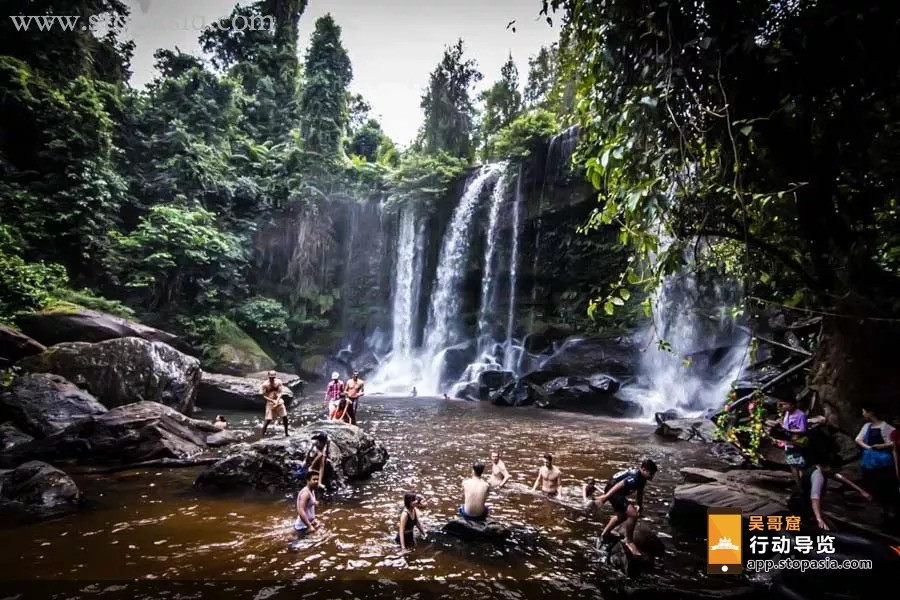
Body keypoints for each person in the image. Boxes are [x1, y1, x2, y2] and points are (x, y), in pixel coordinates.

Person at [789, 446, 872, 530]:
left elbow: (840, 477)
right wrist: (819, 518)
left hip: (806, 502)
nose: (836, 472)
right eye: (836, 469)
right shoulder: (818, 477)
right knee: (815, 527)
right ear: (829, 467)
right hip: (802, 504)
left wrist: (861, 491)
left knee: (830, 526)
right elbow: (815, 498)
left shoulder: (821, 468)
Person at [596, 459, 658, 556]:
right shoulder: (635, 477)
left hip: (617, 492)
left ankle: (605, 533)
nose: (652, 477)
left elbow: (640, 492)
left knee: (621, 516)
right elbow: (619, 485)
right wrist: (605, 497)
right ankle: (629, 541)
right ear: (643, 470)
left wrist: (640, 505)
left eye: (653, 474)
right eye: (651, 474)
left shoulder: (642, 478)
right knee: (633, 514)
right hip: (613, 490)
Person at [855, 406, 897, 520]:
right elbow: (858, 439)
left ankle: (890, 510)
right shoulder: (866, 426)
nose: (863, 414)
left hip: (883, 461)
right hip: (870, 460)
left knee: (886, 485)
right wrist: (869, 447)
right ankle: (881, 509)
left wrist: (881, 446)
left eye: (864, 411)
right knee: (874, 485)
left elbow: (894, 442)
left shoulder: (885, 426)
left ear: (871, 412)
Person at [261, 370, 288, 437]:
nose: (272, 378)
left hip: (279, 402)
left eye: (273, 377)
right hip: (270, 403)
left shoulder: (278, 382)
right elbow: (264, 395)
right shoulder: (265, 384)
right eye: (270, 377)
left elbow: (280, 392)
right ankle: (262, 436)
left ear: (275, 376)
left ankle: (286, 433)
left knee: (285, 417)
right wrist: (272, 401)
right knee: (268, 420)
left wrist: (277, 400)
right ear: (268, 376)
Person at [294, 470, 320, 537]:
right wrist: (310, 526)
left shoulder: (312, 490)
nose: (316, 481)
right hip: (302, 527)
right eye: (314, 479)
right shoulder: (305, 494)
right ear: (308, 480)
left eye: (317, 479)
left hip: (307, 524)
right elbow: (301, 511)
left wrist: (315, 502)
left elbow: (309, 503)